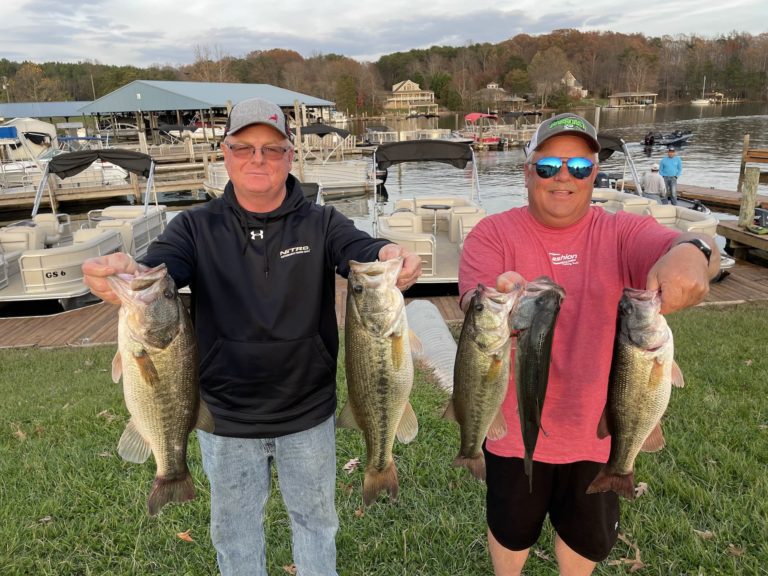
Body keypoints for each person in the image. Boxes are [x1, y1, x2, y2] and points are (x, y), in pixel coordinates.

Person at [82, 97, 421, 576]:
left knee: (316, 523)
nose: (257, 159)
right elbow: (158, 268)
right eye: (244, 148)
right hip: (225, 417)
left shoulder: (322, 223)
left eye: (271, 149)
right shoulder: (195, 227)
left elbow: (359, 249)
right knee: (236, 532)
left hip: (307, 411)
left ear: (289, 156)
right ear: (225, 154)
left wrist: (389, 251)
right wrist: (123, 270)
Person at [459, 112, 719, 576]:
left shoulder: (621, 231)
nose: (564, 177)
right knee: (510, 529)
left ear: (594, 174)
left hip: (600, 431)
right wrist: (497, 295)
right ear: (527, 170)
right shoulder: (492, 233)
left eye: (579, 167)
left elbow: (691, 242)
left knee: (584, 539)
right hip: (515, 433)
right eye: (548, 166)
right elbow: (476, 307)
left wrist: (693, 254)